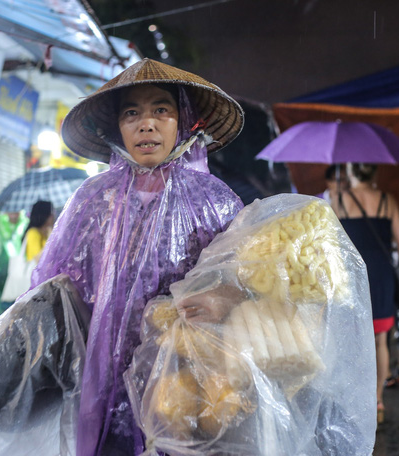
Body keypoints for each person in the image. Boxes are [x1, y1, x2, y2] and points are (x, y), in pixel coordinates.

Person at [29, 58, 245, 455]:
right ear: (118, 128)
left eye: (161, 109)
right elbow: (54, 292)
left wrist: (218, 300)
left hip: (183, 377)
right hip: (100, 380)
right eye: (132, 113)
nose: (147, 124)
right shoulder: (91, 201)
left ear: (184, 120)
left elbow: (244, 284)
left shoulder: (215, 201)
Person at [331, 163, 399, 425]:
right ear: (374, 173)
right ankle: (377, 400)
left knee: (352, 340)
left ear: (351, 173)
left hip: (351, 276)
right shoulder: (387, 201)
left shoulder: (338, 200)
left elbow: (330, 239)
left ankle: (355, 401)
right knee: (380, 340)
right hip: (381, 276)